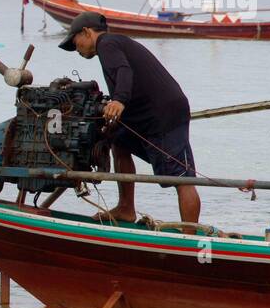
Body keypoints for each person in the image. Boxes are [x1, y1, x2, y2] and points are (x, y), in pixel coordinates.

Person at [59, 12, 200, 225]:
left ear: (87, 32)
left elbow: (124, 71)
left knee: (181, 178)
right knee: (118, 141)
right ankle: (126, 208)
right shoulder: (115, 44)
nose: (75, 48)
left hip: (164, 114)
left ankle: (190, 237)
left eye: (74, 41)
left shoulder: (106, 43)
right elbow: (128, 77)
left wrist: (119, 101)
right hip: (146, 115)